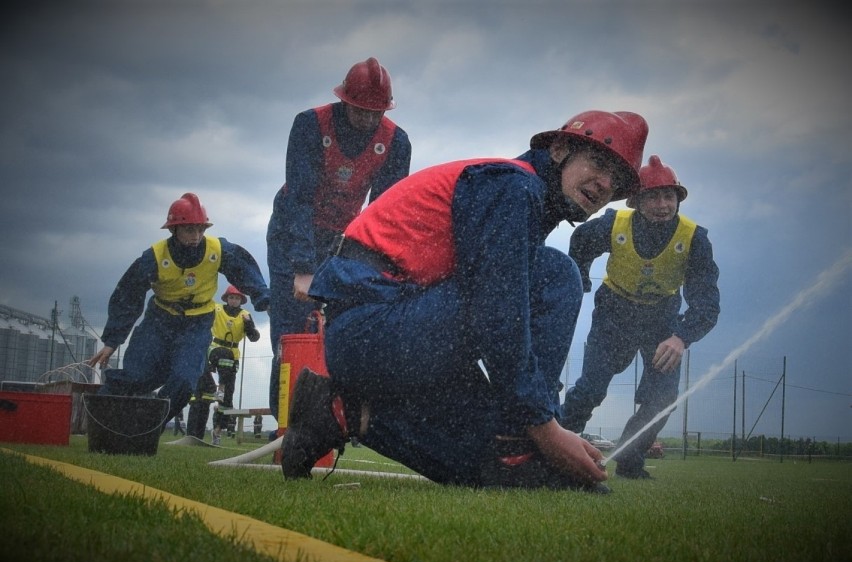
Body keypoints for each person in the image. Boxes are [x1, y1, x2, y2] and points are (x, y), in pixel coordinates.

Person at [280, 110, 649, 491]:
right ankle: (520, 440)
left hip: (386, 330)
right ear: (559, 149)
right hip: (372, 329)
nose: (605, 184)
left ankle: (338, 412)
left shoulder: (518, 192)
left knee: (496, 469)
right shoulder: (514, 187)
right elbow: (501, 314)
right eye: (599, 162)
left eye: (617, 180)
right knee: (556, 274)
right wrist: (545, 427)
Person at [265, 57, 412, 422]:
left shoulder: (395, 142)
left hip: (338, 237)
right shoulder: (310, 125)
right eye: (360, 110)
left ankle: (326, 417)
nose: (366, 119)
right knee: (290, 327)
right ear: (345, 102)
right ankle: (286, 418)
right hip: (292, 230)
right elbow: (299, 196)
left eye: (375, 112)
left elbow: (383, 213)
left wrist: (377, 271)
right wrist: (302, 268)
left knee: (336, 326)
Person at [559, 155, 720, 479]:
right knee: (590, 388)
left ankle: (630, 461)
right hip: (614, 315)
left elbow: (707, 303)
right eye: (653, 196)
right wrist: (581, 279)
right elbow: (580, 242)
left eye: (669, 196)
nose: (662, 204)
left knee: (662, 399)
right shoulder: (613, 225)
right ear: (636, 201)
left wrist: (681, 337)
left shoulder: (694, 240)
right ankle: (556, 448)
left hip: (662, 322)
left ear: (678, 199)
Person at [88, 193, 270, 430]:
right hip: (159, 321)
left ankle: (149, 425)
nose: (196, 237)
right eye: (188, 230)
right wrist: (113, 340)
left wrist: (263, 298)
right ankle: (103, 413)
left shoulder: (218, 250)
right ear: (173, 230)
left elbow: (246, 271)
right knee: (137, 375)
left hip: (196, 325)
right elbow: (128, 295)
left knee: (184, 381)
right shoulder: (154, 257)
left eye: (200, 229)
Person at [186, 285, 261, 444]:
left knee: (228, 397)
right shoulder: (217, 309)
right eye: (231, 297)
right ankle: (219, 389)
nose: (234, 300)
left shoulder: (245, 315)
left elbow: (254, 338)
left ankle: (217, 431)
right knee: (222, 358)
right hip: (215, 348)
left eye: (237, 298)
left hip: (233, 353)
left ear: (241, 300)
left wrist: (248, 325)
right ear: (226, 298)